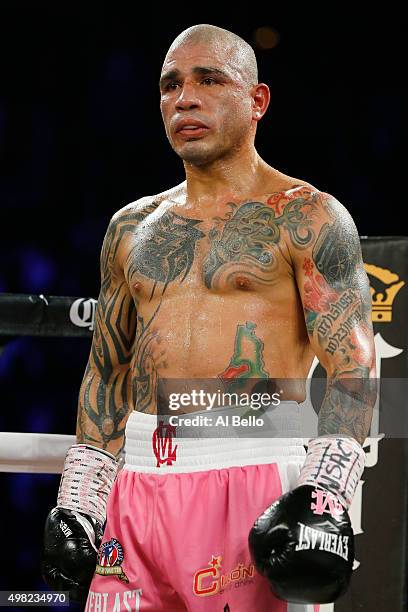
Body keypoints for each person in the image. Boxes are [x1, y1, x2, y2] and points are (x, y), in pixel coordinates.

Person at [42, 24, 376, 611]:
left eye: (209, 80)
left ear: (257, 101)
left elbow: (353, 361)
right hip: (138, 482)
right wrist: (81, 498)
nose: (185, 98)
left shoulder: (308, 216)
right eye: (170, 85)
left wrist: (325, 491)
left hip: (252, 471)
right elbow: (108, 369)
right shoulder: (131, 227)